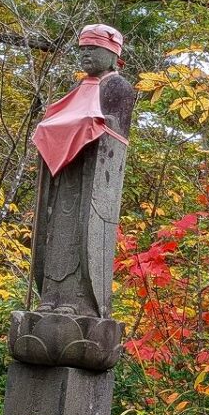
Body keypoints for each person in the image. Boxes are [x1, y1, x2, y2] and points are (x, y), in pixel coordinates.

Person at [29, 24, 134, 317]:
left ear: (112, 55)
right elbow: (58, 120)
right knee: (57, 233)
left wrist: (87, 127)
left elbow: (114, 129)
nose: (86, 54)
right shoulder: (78, 89)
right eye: (82, 49)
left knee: (82, 233)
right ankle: (51, 294)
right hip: (65, 174)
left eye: (93, 49)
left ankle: (79, 300)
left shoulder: (118, 87)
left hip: (91, 177)